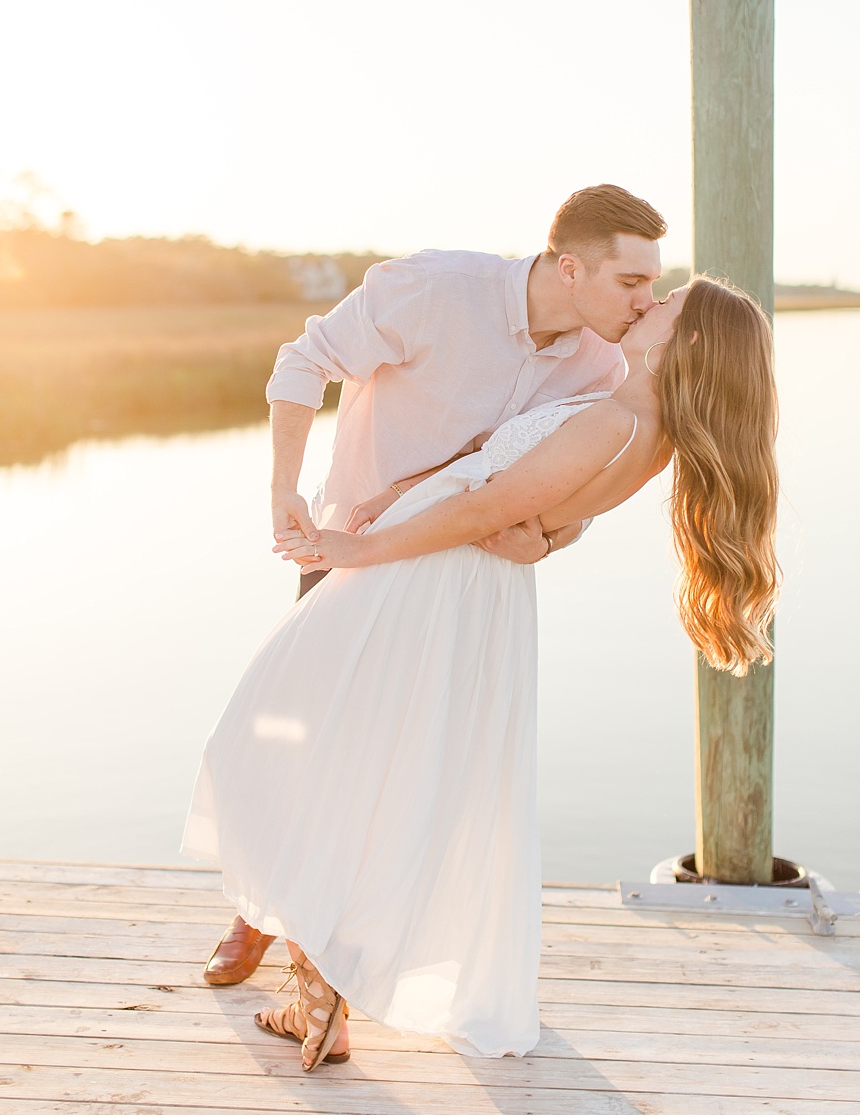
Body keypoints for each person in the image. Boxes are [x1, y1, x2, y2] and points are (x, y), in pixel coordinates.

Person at [183, 274, 779, 1067]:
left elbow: (485, 507)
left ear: (688, 341)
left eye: (663, 302)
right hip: (449, 578)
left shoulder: (617, 417)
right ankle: (316, 986)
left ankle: (318, 993)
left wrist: (358, 550)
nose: (647, 303)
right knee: (344, 767)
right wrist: (398, 492)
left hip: (424, 580)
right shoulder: (643, 421)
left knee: (282, 751)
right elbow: (502, 483)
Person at [199, 185, 668, 991]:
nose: (646, 300)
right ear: (570, 267)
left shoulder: (606, 360)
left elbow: (566, 479)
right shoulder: (434, 288)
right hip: (351, 554)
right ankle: (258, 916)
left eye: (651, 285)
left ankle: (342, 955)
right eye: (631, 282)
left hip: (462, 585)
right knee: (308, 743)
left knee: (411, 768)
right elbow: (301, 360)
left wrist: (550, 538)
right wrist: (285, 485)